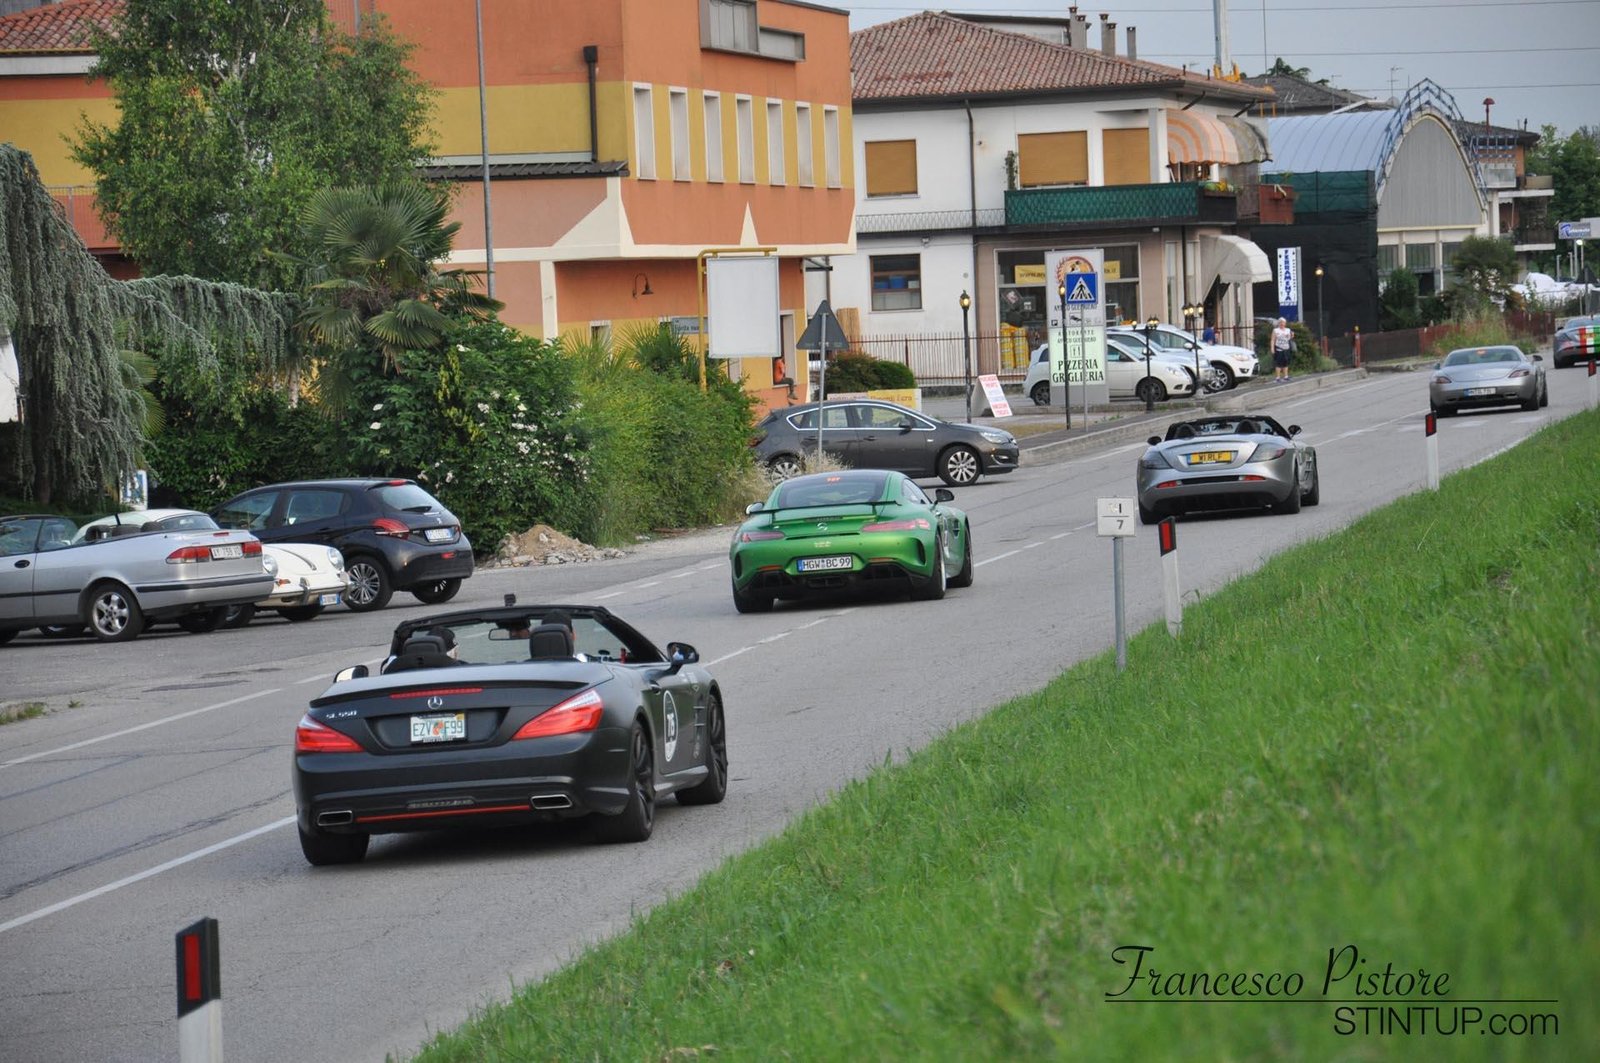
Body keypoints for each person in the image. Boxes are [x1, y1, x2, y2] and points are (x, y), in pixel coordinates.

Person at [1271, 317, 1294, 382]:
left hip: (1286, 348)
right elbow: (1272, 340)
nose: (1282, 324)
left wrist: (1292, 335)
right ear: (1278, 323)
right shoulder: (1275, 330)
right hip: (1279, 349)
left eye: (1283, 322)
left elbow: (1291, 337)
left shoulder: (1288, 330)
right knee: (1278, 363)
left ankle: (1286, 376)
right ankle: (1278, 378)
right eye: (1280, 322)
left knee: (1286, 363)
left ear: (1285, 323)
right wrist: (1272, 348)